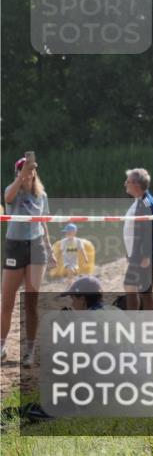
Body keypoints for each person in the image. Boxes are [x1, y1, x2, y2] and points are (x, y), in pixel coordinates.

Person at [2, 155, 55, 366]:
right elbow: (7, 198)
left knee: (31, 303)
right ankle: (1, 346)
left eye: (30, 170)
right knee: (7, 301)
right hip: (15, 247)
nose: (27, 173)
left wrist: (49, 248)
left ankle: (30, 351)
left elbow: (43, 223)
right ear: (17, 172)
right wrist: (21, 177)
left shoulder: (42, 195)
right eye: (22, 170)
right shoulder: (12, 190)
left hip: (36, 247)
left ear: (35, 173)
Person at [122, 168, 153, 311]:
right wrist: (129, 252)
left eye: (128, 181)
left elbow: (151, 230)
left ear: (136, 184)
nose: (125, 183)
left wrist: (146, 256)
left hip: (144, 255)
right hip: (137, 253)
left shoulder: (147, 203)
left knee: (141, 290)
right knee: (134, 288)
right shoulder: (139, 201)